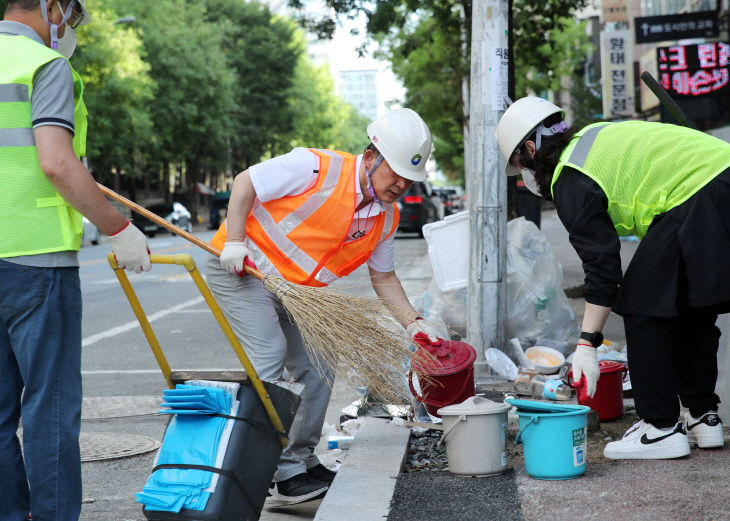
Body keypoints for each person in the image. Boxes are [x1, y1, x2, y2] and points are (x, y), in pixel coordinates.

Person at [206, 107, 441, 506]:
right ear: (370, 157)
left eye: (409, 178)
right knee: (270, 353)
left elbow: (383, 278)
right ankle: (250, 465)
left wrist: (413, 323)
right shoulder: (314, 167)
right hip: (242, 269)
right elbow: (245, 182)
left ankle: (293, 465)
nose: (401, 184)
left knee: (319, 361)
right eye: (395, 172)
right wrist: (235, 240)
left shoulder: (385, 217)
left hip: (296, 293)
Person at [495, 96, 727, 460]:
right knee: (688, 306)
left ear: (530, 148)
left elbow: (603, 268)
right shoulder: (592, 140)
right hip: (718, 181)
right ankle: (703, 416)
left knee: (641, 302)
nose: (523, 176)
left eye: (519, 165)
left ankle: (660, 428)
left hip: (700, 192)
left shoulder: (570, 178)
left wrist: (587, 343)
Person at [0, 1, 151, 519]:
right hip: (36, 263)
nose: (73, 25)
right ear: (51, 6)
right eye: (74, 13)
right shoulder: (45, 65)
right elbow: (56, 162)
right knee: (50, 410)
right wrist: (118, 228)